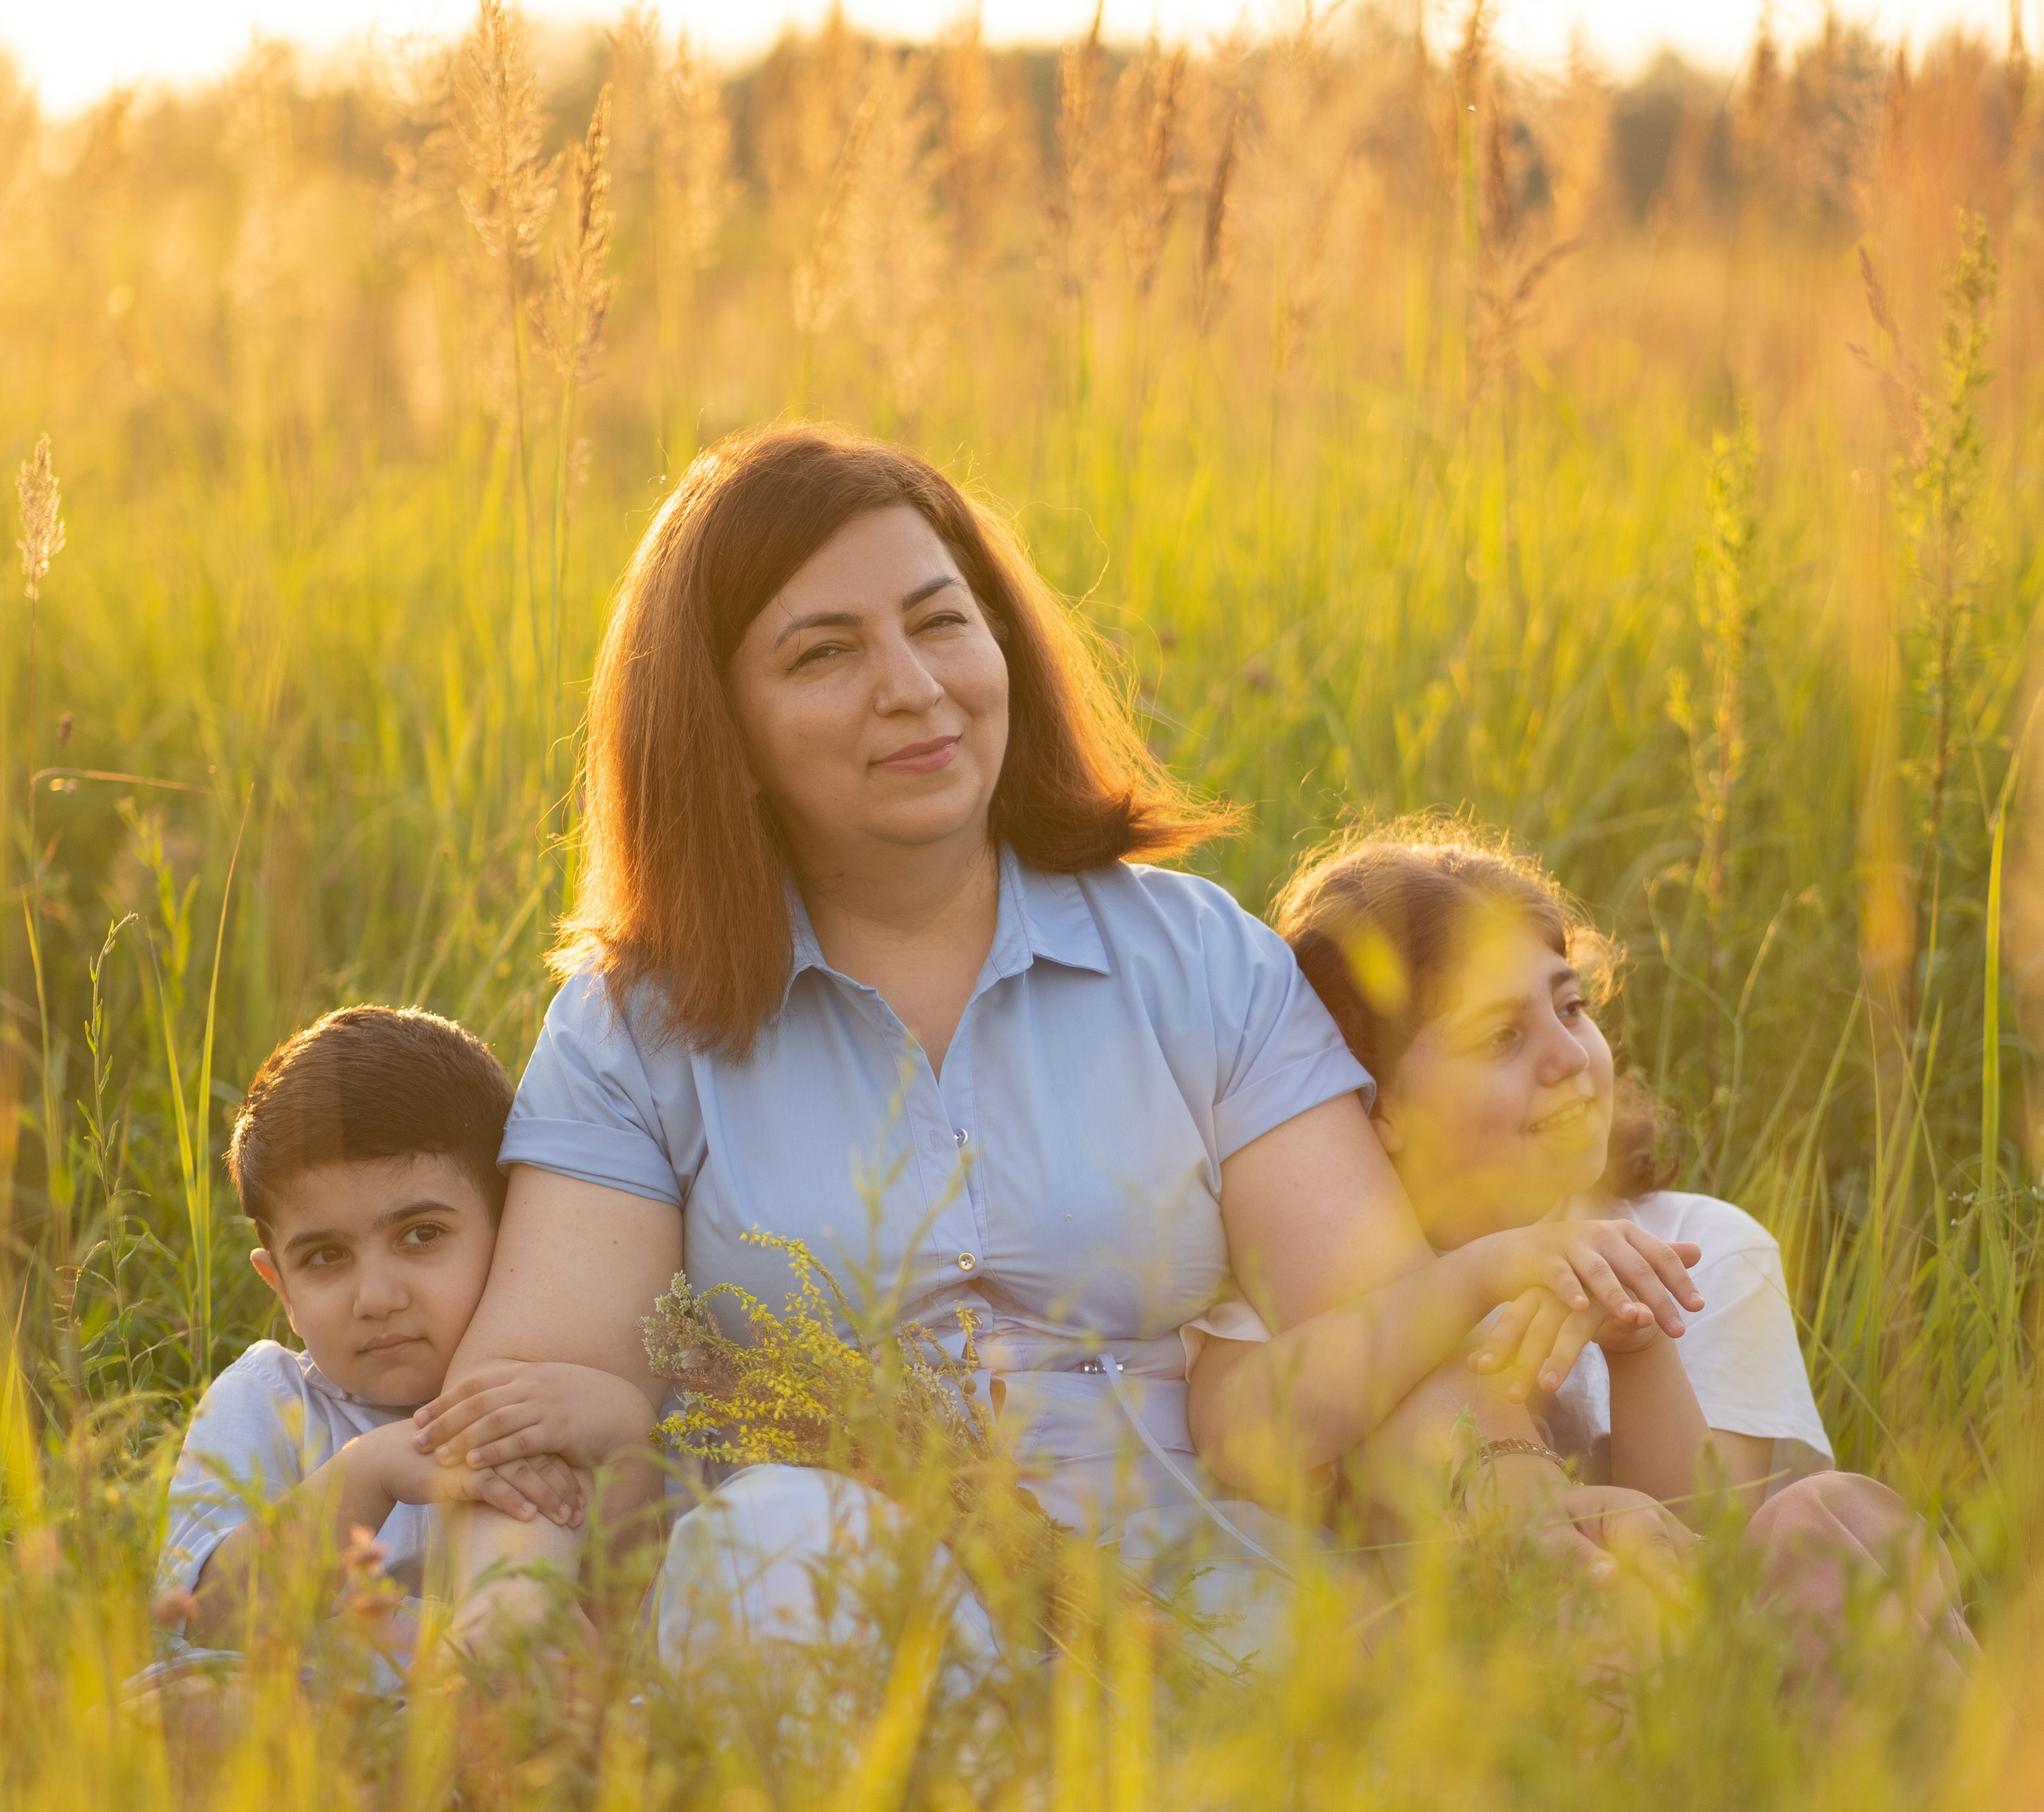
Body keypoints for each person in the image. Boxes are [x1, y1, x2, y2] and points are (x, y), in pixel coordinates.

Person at [422, 426, 1704, 1673]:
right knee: (781, 1540)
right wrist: (496, 1674)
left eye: (939, 622)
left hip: (1194, 1607)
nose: (914, 686)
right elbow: (527, 1409)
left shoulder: (1198, 963)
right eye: (824, 653)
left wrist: (1522, 1536)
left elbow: (1377, 1330)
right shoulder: (637, 1027)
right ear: (724, 732)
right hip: (828, 1613)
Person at [1187, 828, 1973, 1694]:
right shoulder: (1314, 1275)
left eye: (1571, 1008)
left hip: (1702, 1676)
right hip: (1470, 1704)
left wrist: (1637, 1344)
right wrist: (1474, 1277)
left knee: (1828, 1516)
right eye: (1500, 1038)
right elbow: (1239, 1433)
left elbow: (1724, 1548)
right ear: (1376, 1107)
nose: (1569, 1058)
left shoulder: (1702, 1250)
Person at [153, 1006, 645, 1667]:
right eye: (326, 1256)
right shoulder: (267, 1401)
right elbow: (201, 1620)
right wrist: (372, 1470)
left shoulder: (551, 1400)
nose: (378, 1299)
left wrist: (624, 1431)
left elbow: (631, 1625)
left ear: (517, 1237)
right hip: (307, 1738)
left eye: (421, 1236)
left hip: (499, 1739)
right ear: (282, 1290)